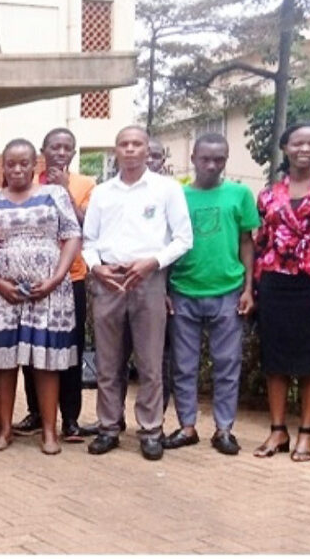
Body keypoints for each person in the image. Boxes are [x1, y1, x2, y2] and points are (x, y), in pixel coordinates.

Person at [82, 125, 193, 461]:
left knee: (149, 362)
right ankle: (108, 427)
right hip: (109, 280)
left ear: (148, 150)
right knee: (108, 363)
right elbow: (89, 241)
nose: (129, 150)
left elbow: (183, 239)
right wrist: (95, 266)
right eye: (123, 144)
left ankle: (150, 430)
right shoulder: (102, 192)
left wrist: (153, 263)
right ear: (115, 150)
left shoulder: (167, 189)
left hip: (148, 279)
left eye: (136, 144)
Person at [0, 139, 82, 455]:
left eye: (24, 163)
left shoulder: (55, 195)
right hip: (1, 294)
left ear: (34, 165)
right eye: (11, 163)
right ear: (2, 166)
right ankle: (5, 429)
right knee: (3, 360)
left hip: (49, 292)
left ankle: (49, 431)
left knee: (46, 361)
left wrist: (57, 277)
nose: (18, 169)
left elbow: (72, 234)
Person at [252, 122, 310, 462]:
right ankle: (278, 430)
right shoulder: (268, 194)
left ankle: (306, 433)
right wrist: (254, 287)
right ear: (285, 148)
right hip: (275, 284)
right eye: (298, 143)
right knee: (274, 359)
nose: (304, 149)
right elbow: (260, 242)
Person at [164, 133, 259, 456]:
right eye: (205, 158)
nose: (211, 165)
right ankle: (187, 426)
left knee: (227, 363)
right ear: (193, 158)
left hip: (228, 291)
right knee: (184, 365)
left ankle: (224, 429)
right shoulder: (177, 196)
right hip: (183, 290)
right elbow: (166, 245)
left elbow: (247, 241)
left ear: (226, 159)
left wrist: (248, 288)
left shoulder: (240, 194)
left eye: (219, 159)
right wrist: (165, 289)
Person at [14, 128, 96, 443]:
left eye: (67, 148)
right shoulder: (29, 184)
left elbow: (86, 225)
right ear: (43, 151)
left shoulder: (86, 185)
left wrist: (65, 191)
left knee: (69, 349)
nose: (60, 152)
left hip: (70, 278)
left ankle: (70, 418)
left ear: (73, 153)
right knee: (32, 348)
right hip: (33, 282)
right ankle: (36, 412)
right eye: (54, 147)